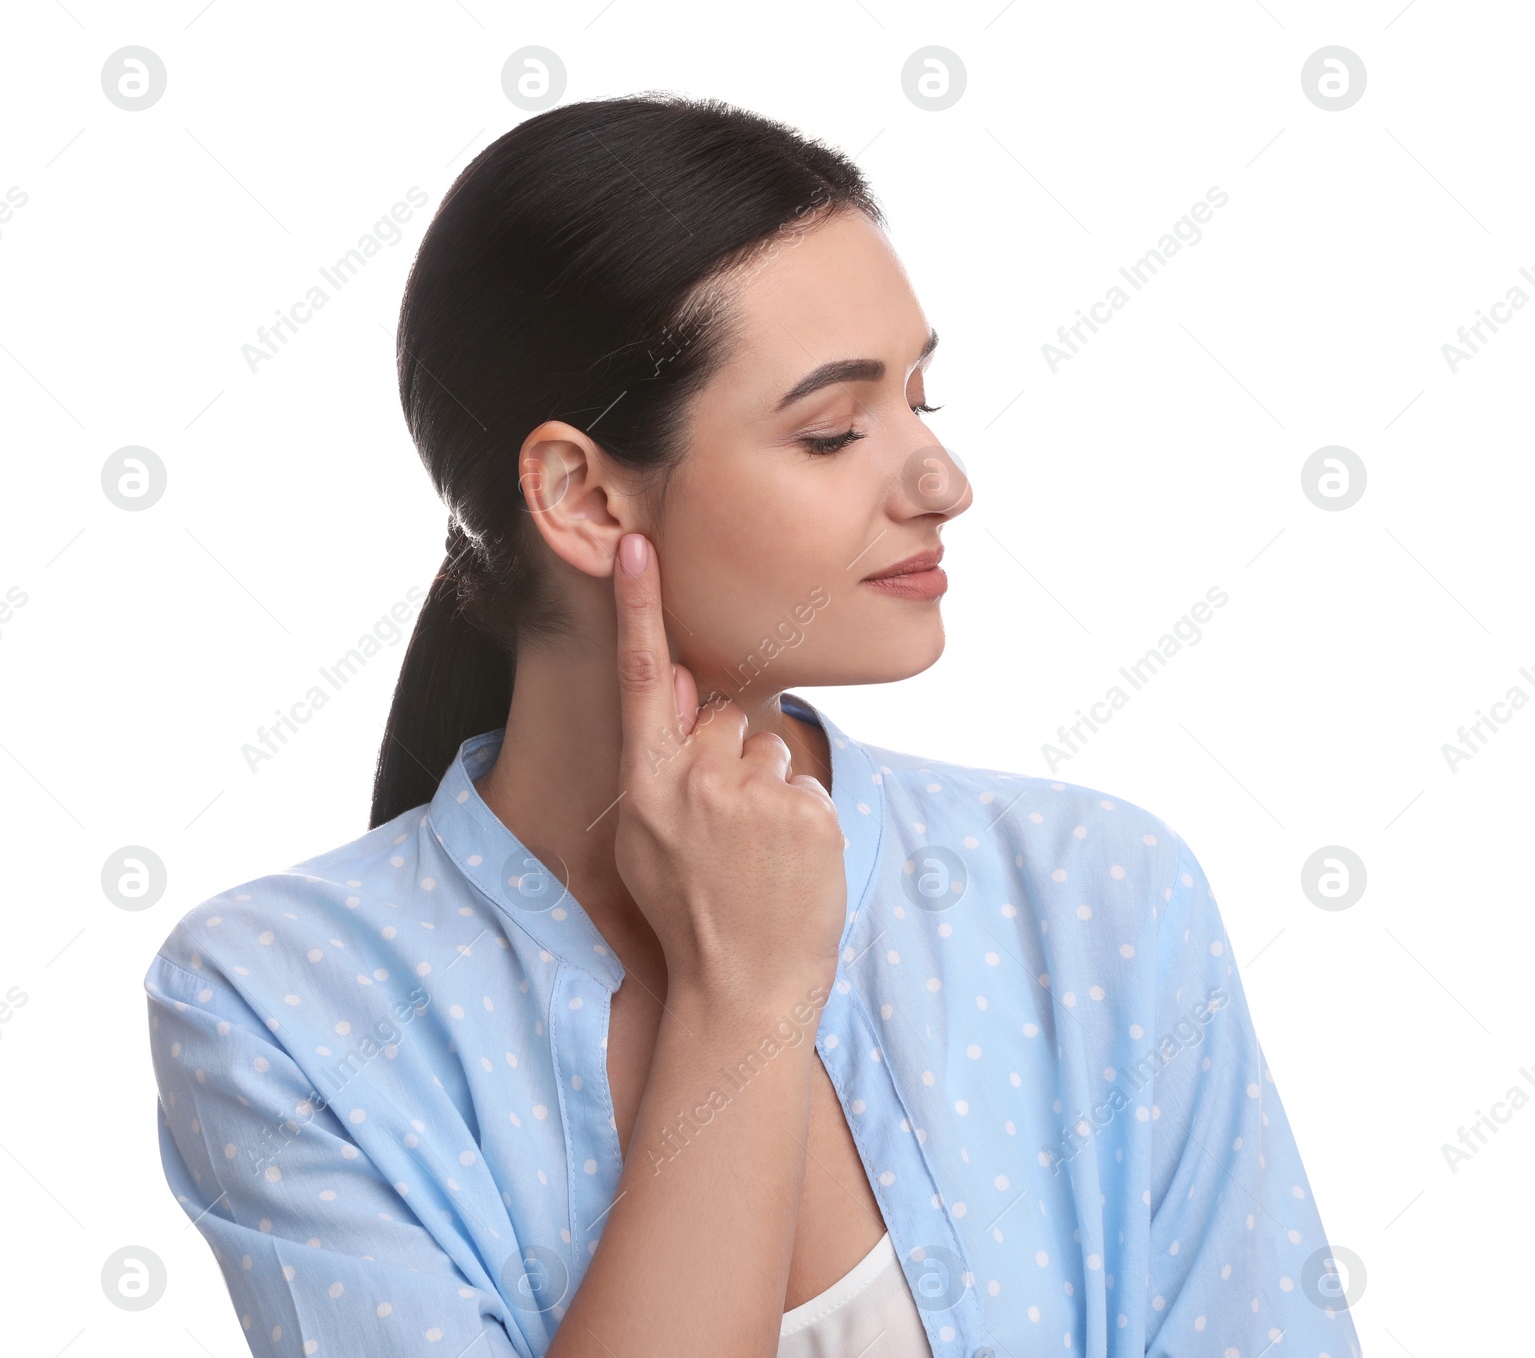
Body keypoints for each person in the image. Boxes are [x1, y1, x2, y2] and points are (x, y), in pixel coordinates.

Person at [144, 94, 1361, 1358]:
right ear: (581, 493)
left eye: (921, 404)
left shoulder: (1092, 893)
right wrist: (747, 998)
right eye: (832, 431)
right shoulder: (280, 1000)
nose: (942, 484)